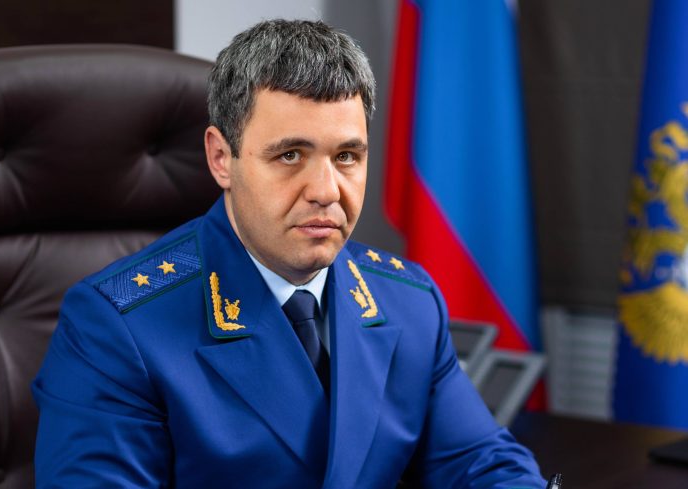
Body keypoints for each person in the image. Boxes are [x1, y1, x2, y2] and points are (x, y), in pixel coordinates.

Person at [32, 19, 546, 488]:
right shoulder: (117, 325)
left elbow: (482, 464)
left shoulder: (408, 300)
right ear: (221, 158)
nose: (326, 190)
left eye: (347, 156)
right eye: (290, 155)